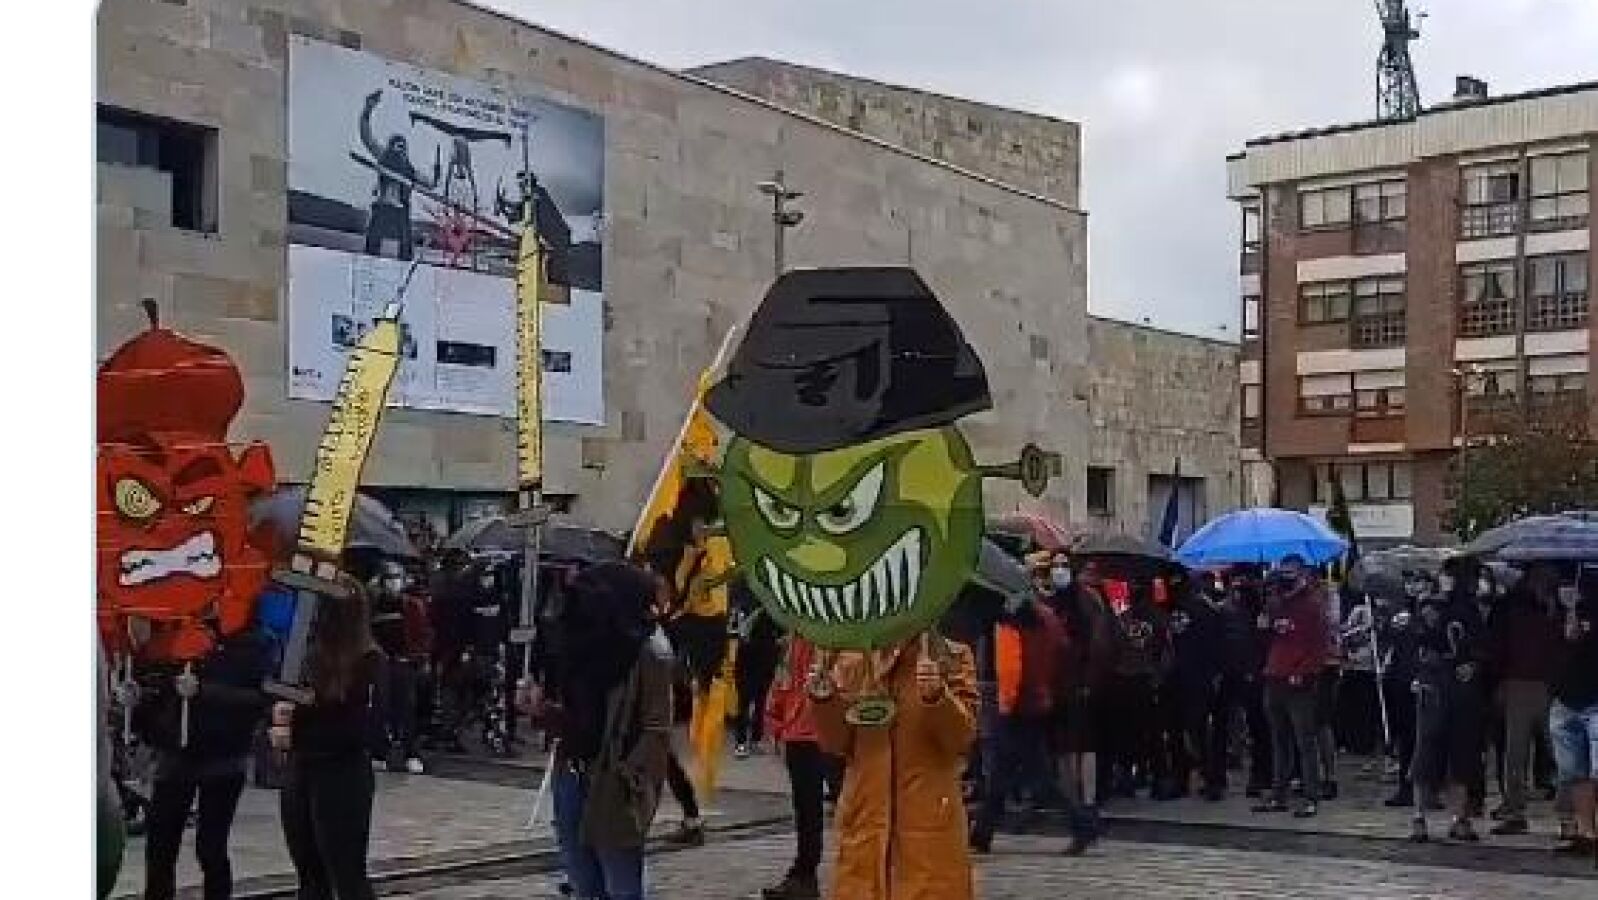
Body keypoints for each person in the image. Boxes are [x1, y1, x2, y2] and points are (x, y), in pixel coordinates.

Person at [529, 562, 674, 900]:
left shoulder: (648, 652)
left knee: (621, 886)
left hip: (614, 782)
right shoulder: (580, 646)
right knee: (583, 883)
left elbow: (657, 728)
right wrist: (541, 711)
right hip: (571, 773)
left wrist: (631, 782)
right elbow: (576, 718)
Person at [810, 632, 980, 900]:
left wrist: (938, 698)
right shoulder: (852, 660)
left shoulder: (950, 656)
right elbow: (835, 743)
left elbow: (961, 739)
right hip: (865, 822)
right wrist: (824, 700)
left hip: (928, 826)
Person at [134, 626, 271, 900]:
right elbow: (156, 687)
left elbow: (258, 698)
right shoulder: (170, 634)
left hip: (223, 757)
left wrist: (204, 691)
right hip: (176, 753)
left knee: (211, 847)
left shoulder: (246, 643)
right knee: (160, 844)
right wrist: (142, 703)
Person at [272, 579, 384, 900]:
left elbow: (363, 731)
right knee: (309, 874)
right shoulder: (305, 655)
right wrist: (282, 717)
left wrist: (299, 727)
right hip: (301, 769)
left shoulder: (368, 660)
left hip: (341, 774)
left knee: (346, 873)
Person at [968, 586, 1065, 853]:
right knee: (1011, 772)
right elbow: (1059, 649)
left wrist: (1005, 707)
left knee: (1018, 773)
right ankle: (982, 833)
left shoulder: (1007, 623)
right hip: (1037, 701)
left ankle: (1082, 823)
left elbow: (1010, 669)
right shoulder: (1045, 617)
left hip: (1016, 709)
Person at [1408, 556, 1493, 843]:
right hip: (1436, 686)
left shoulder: (1473, 610)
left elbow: (1483, 647)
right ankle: (1420, 817)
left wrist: (1474, 665)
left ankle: (1457, 817)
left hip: (1460, 689)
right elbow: (1420, 643)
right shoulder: (1432, 607)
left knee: (1461, 753)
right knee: (1428, 751)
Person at [1252, 554, 1329, 819]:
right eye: (1283, 573)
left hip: (1299, 680)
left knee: (1304, 741)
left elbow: (1319, 645)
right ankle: (1279, 794)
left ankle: (1311, 797)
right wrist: (1264, 626)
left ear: (1302, 574)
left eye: (1291, 573)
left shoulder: (1312, 605)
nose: (1286, 578)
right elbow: (1268, 638)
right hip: (1275, 674)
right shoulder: (1275, 603)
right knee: (1279, 739)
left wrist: (1304, 671)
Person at [1487, 564, 1562, 835]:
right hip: (1539, 684)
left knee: (1520, 754)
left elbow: (1499, 648)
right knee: (1549, 753)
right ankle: (1566, 815)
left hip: (1526, 684)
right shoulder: (1549, 612)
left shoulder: (1516, 609)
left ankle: (1518, 809)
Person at [1045, 556, 1114, 851]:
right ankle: (1078, 804)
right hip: (1059, 684)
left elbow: (1098, 644)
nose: (1058, 571)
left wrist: (1089, 681)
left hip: (1081, 684)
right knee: (1065, 749)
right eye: (1055, 565)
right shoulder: (1053, 602)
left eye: (1063, 565)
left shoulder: (1086, 602)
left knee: (1082, 746)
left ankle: (1084, 805)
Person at [759, 632, 827, 900]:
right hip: (798, 732)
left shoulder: (828, 636)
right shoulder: (795, 640)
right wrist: (775, 722)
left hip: (818, 731)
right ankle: (804, 874)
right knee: (806, 809)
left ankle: (806, 873)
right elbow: (783, 681)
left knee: (813, 809)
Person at [1548, 568, 1598, 865]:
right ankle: (1586, 832)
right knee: (1574, 772)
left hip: (1594, 698)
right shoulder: (1560, 612)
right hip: (1567, 698)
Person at [1171, 572, 1234, 802]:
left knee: (1196, 729)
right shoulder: (1211, 610)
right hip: (1207, 675)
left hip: (1194, 676)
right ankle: (1213, 776)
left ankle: (1205, 775)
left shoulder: (1187, 610)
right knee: (1210, 730)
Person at [1107, 580, 1172, 799]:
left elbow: (1111, 648)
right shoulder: (1157, 617)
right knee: (1152, 734)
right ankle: (1159, 779)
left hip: (1127, 679)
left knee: (1127, 734)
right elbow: (1166, 651)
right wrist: (1159, 676)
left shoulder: (1121, 617)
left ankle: (1130, 777)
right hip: (1145, 680)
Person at [369, 560, 427, 774]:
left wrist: (416, 657)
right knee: (380, 708)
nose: (393, 584)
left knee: (406, 710)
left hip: (405, 662)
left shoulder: (412, 605)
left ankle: (411, 753)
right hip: (381, 663)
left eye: (396, 579)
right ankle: (379, 753)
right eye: (389, 579)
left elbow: (422, 634)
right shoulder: (374, 605)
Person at [731, 581, 782, 758]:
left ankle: (749, 741)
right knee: (749, 702)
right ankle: (745, 741)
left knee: (755, 701)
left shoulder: (747, 599)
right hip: (753, 657)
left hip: (757, 656)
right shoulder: (749, 599)